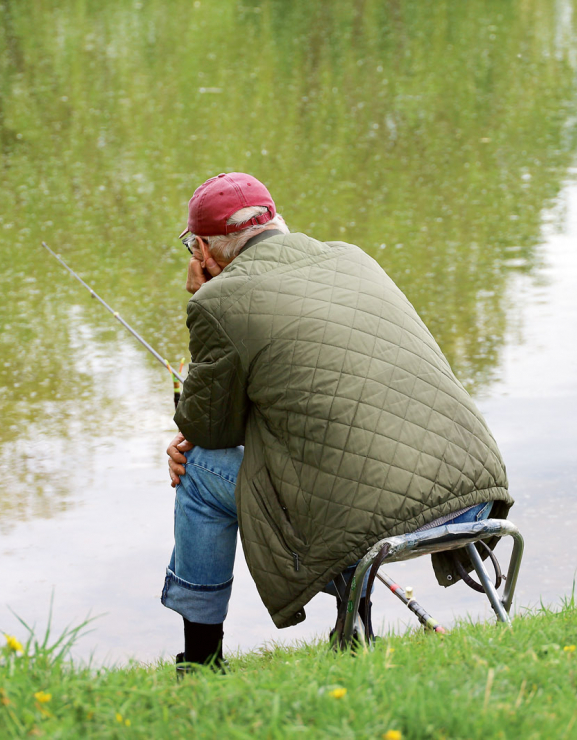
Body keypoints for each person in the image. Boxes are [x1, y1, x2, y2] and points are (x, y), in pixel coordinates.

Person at [163, 172, 511, 671]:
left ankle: (200, 663)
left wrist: (202, 300)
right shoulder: (353, 257)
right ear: (276, 223)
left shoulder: (217, 301)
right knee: (342, 455)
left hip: (365, 529)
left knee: (197, 468)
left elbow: (211, 431)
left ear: (202, 249)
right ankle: (353, 622)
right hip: (476, 503)